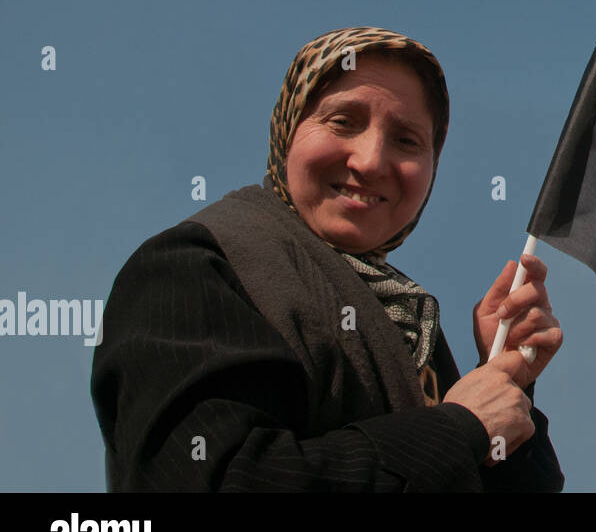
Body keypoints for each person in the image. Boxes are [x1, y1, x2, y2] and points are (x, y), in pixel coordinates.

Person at [90, 26, 563, 491]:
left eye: (406, 140)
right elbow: (216, 478)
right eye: (343, 121)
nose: (372, 161)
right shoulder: (196, 269)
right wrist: (458, 429)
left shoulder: (410, 326)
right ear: (288, 129)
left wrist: (502, 383)